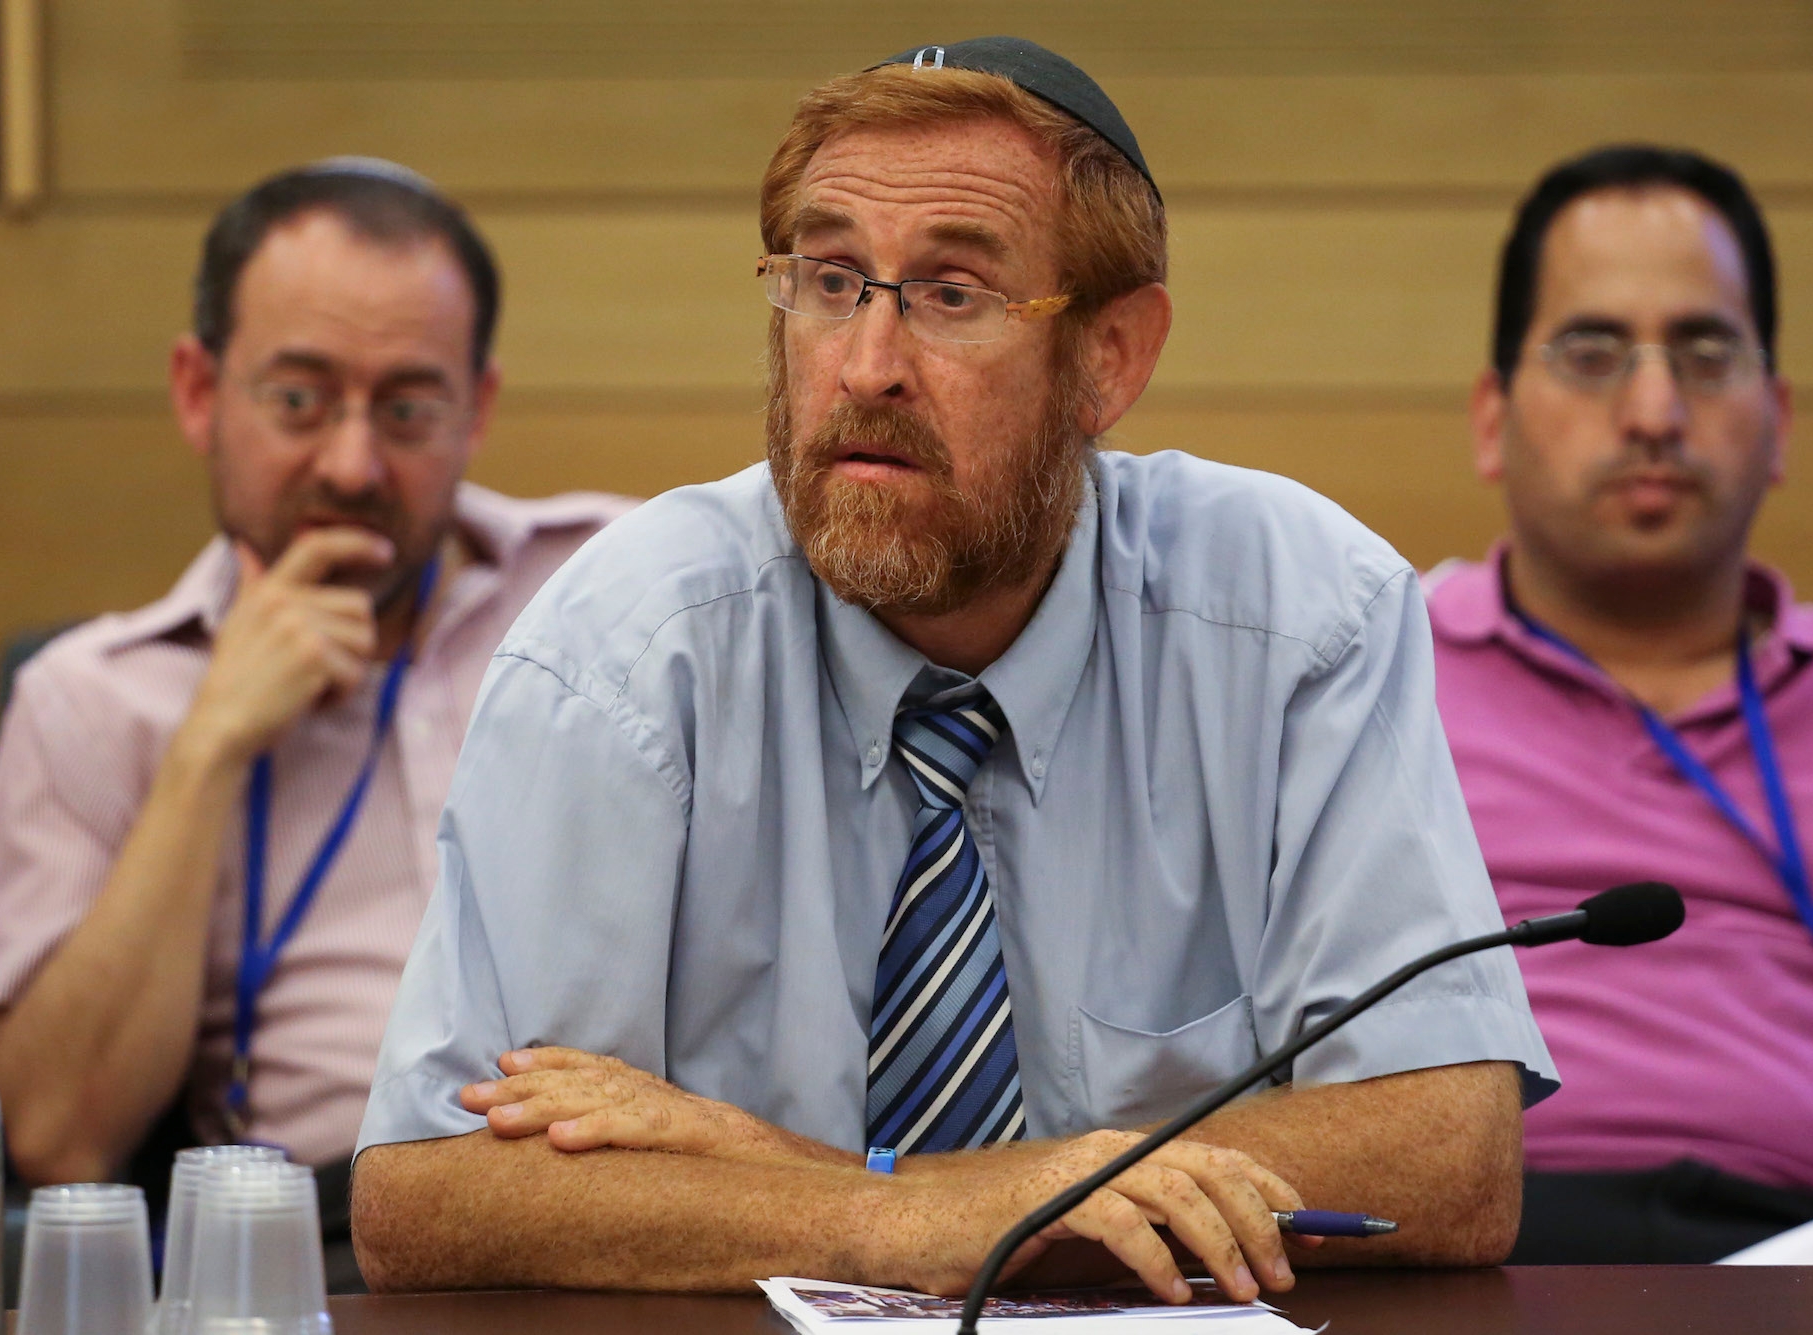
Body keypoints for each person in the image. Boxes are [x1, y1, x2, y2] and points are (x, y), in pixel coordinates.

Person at [351, 37, 1555, 1301]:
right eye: (828, 282)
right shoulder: (627, 647)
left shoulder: (1296, 619)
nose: (864, 366)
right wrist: (898, 1223)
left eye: (952, 295)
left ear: (1110, 358)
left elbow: (1448, 1154)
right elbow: (429, 1197)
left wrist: (817, 1181)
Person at [0, 160, 633, 1277]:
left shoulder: (617, 594)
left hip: (649, 1206)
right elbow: (56, 1137)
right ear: (198, 391)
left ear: (474, 407)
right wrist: (210, 749)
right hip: (328, 1252)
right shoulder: (95, 697)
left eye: (408, 408)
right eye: (298, 400)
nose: (352, 462)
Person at [1429, 144, 1813, 1263]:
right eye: (1591, 352)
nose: (1652, 410)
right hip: (1456, 1266)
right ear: (1492, 418)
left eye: (1704, 350)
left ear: (1776, 416)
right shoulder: (1357, 678)